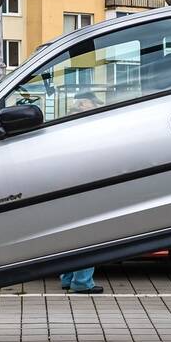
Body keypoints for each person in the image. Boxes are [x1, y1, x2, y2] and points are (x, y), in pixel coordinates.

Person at [59, 92, 104, 295]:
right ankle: (83, 282)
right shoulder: (87, 127)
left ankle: (67, 277)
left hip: (68, 186)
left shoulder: (66, 125)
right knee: (89, 234)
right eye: (92, 104)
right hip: (85, 186)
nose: (95, 108)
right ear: (83, 105)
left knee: (71, 234)